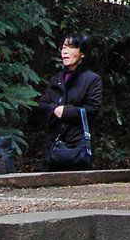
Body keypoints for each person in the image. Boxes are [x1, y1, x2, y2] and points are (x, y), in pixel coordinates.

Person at [39, 33, 102, 170]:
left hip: (78, 145)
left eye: (71, 47)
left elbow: (92, 110)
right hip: (54, 144)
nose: (65, 51)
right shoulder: (57, 79)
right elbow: (43, 105)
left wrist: (65, 111)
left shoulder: (92, 79)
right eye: (63, 48)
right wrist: (54, 110)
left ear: (82, 53)